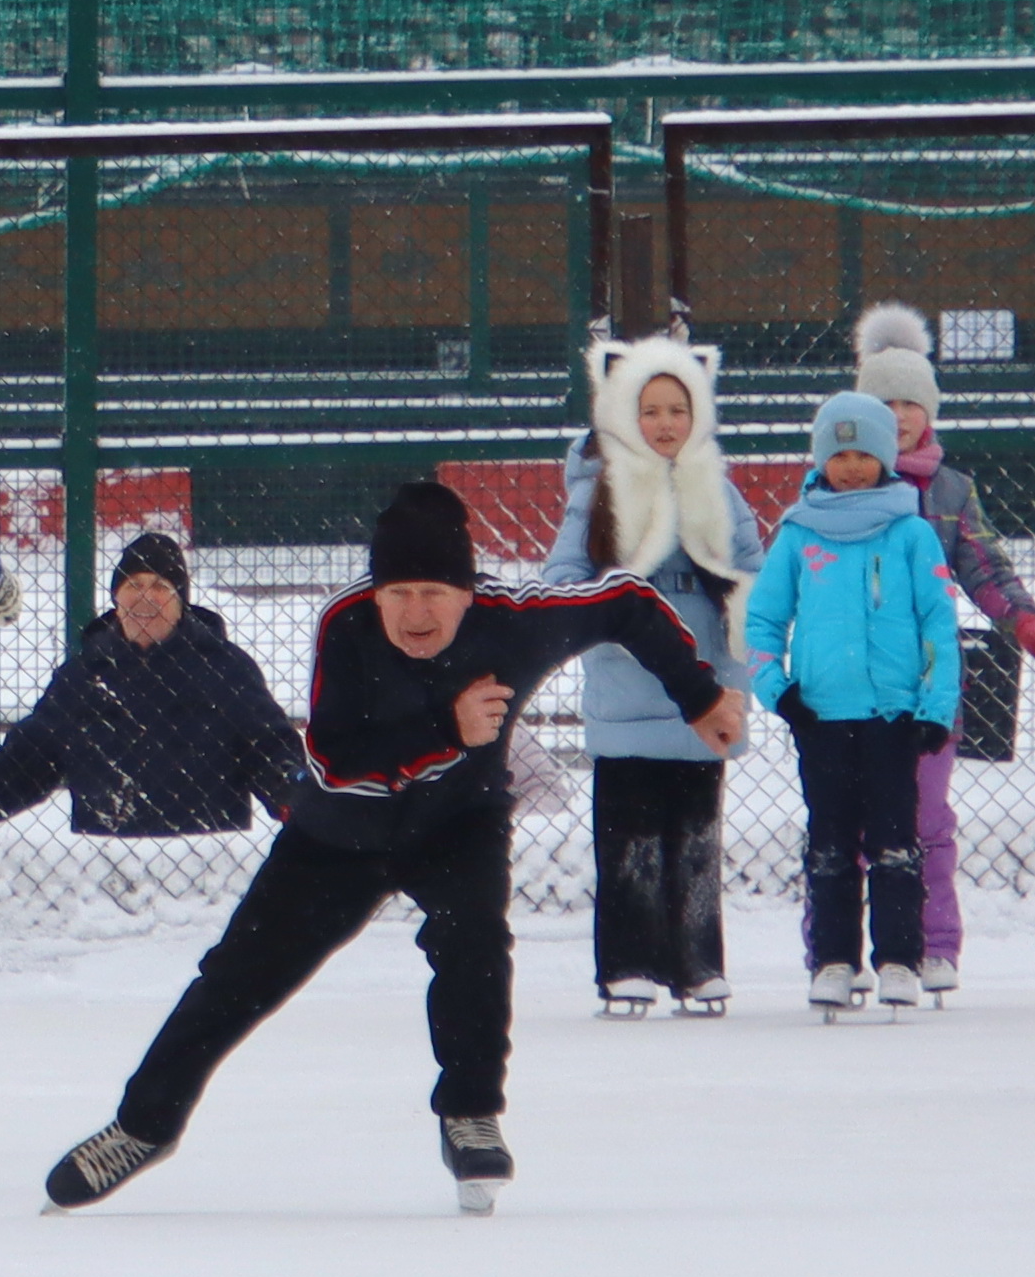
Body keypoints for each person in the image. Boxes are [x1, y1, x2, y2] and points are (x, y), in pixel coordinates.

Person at [39, 480, 746, 1218]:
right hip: (339, 829)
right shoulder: (345, 625)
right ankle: (141, 1126)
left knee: (474, 944)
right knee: (234, 978)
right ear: (374, 595)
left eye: (433, 592)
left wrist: (697, 697)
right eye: (398, 592)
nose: (415, 612)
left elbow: (629, 601)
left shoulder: (516, 623)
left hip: (458, 822)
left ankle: (469, 1112)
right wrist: (449, 728)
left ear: (467, 593)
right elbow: (336, 756)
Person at [539, 332, 760, 1015]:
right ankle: (627, 963)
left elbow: (753, 577)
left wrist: (736, 674)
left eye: (677, 410)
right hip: (628, 697)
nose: (664, 425)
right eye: (649, 410)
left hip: (703, 701)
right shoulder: (597, 494)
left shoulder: (717, 493)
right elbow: (560, 582)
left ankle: (695, 964)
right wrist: (614, 606)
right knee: (628, 841)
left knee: (694, 839)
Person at [851, 304, 1035, 997]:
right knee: (850, 822)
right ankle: (842, 949)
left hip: (929, 682)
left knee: (927, 820)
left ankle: (934, 944)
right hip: (850, 685)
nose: (901, 415)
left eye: (912, 401)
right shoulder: (840, 482)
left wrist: (1020, 619)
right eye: (885, 402)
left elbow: (982, 564)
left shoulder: (948, 490)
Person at [745, 392, 961, 1014]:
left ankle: (898, 960)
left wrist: (934, 708)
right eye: (838, 454)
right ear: (820, 459)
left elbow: (937, 625)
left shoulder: (911, 534)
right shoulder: (797, 533)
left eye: (865, 453)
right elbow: (762, 621)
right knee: (830, 843)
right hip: (821, 719)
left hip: (894, 719)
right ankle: (834, 961)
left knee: (897, 842)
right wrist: (779, 691)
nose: (852, 466)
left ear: (886, 458)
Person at [0, 527, 301, 835]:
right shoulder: (83, 675)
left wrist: (298, 797)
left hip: (205, 853)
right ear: (116, 597)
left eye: (160, 585)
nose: (145, 596)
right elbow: (25, 764)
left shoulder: (225, 668)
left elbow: (270, 749)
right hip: (105, 859)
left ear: (181, 601)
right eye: (134, 584)